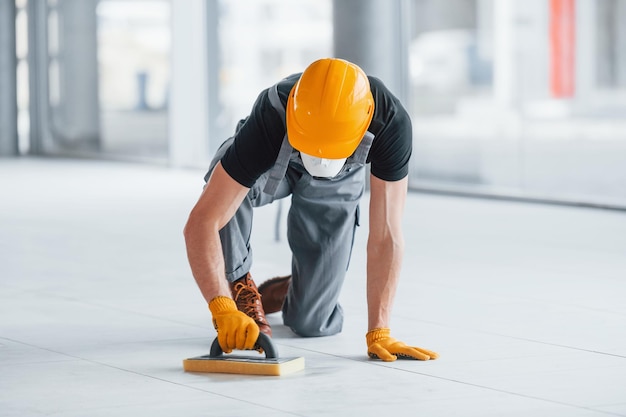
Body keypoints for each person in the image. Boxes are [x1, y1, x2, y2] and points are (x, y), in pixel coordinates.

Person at [184, 58, 438, 362]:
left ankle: (302, 287)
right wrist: (221, 306)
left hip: (340, 178)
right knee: (224, 192)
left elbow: (387, 235)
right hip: (272, 161)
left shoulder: (391, 123)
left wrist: (379, 331)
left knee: (313, 323)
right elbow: (204, 220)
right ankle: (238, 285)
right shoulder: (271, 113)